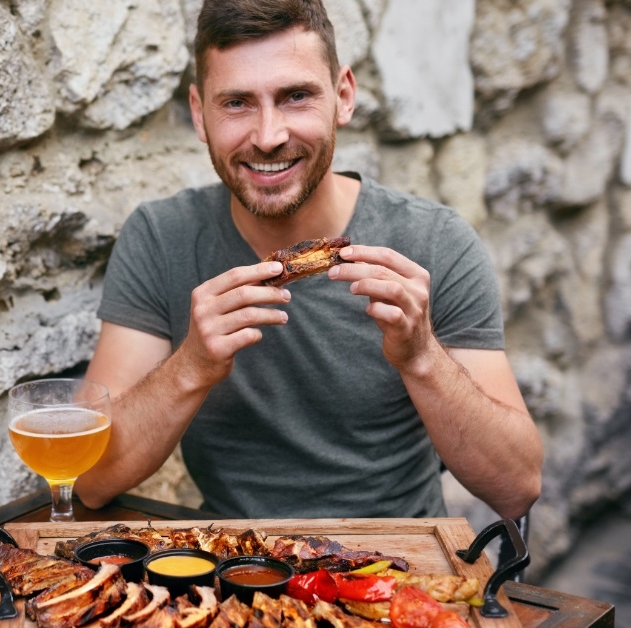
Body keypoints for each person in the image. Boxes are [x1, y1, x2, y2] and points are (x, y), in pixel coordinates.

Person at [73, 0, 542, 520]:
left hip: (401, 574)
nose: (269, 135)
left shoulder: (434, 241)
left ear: (343, 97)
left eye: (296, 96)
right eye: (236, 103)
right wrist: (191, 366)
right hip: (237, 571)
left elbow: (517, 486)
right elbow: (89, 480)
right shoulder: (162, 238)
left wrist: (421, 357)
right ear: (199, 113)